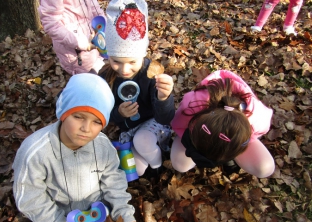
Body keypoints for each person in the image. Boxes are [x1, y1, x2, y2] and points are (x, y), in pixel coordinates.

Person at [12, 73, 137, 222]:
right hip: (59, 212)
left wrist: (124, 211)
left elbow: (114, 180)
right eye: (78, 116)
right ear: (63, 112)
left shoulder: (103, 145)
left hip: (95, 206)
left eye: (97, 122)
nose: (86, 128)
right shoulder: (35, 152)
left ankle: (99, 219)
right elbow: (29, 196)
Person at [99, 0, 175, 177]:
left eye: (132, 62)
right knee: (136, 170)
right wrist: (118, 114)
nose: (124, 70)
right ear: (108, 55)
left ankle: (157, 166)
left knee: (143, 141)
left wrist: (164, 98)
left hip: (153, 125)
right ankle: (149, 160)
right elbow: (102, 114)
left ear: (142, 55)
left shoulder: (149, 74)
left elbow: (165, 117)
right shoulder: (104, 77)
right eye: (116, 61)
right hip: (129, 130)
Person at [170, 70, 275, 178]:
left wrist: (231, 149)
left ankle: (230, 155)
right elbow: (178, 126)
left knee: (265, 168)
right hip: (198, 123)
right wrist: (191, 145)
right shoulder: (191, 106)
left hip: (238, 134)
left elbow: (253, 136)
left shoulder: (258, 118)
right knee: (180, 164)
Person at [38, 0, 106, 75]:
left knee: (105, 72)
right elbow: (52, 25)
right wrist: (83, 44)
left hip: (94, 40)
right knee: (90, 78)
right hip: (77, 50)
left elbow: (93, 5)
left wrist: (104, 26)